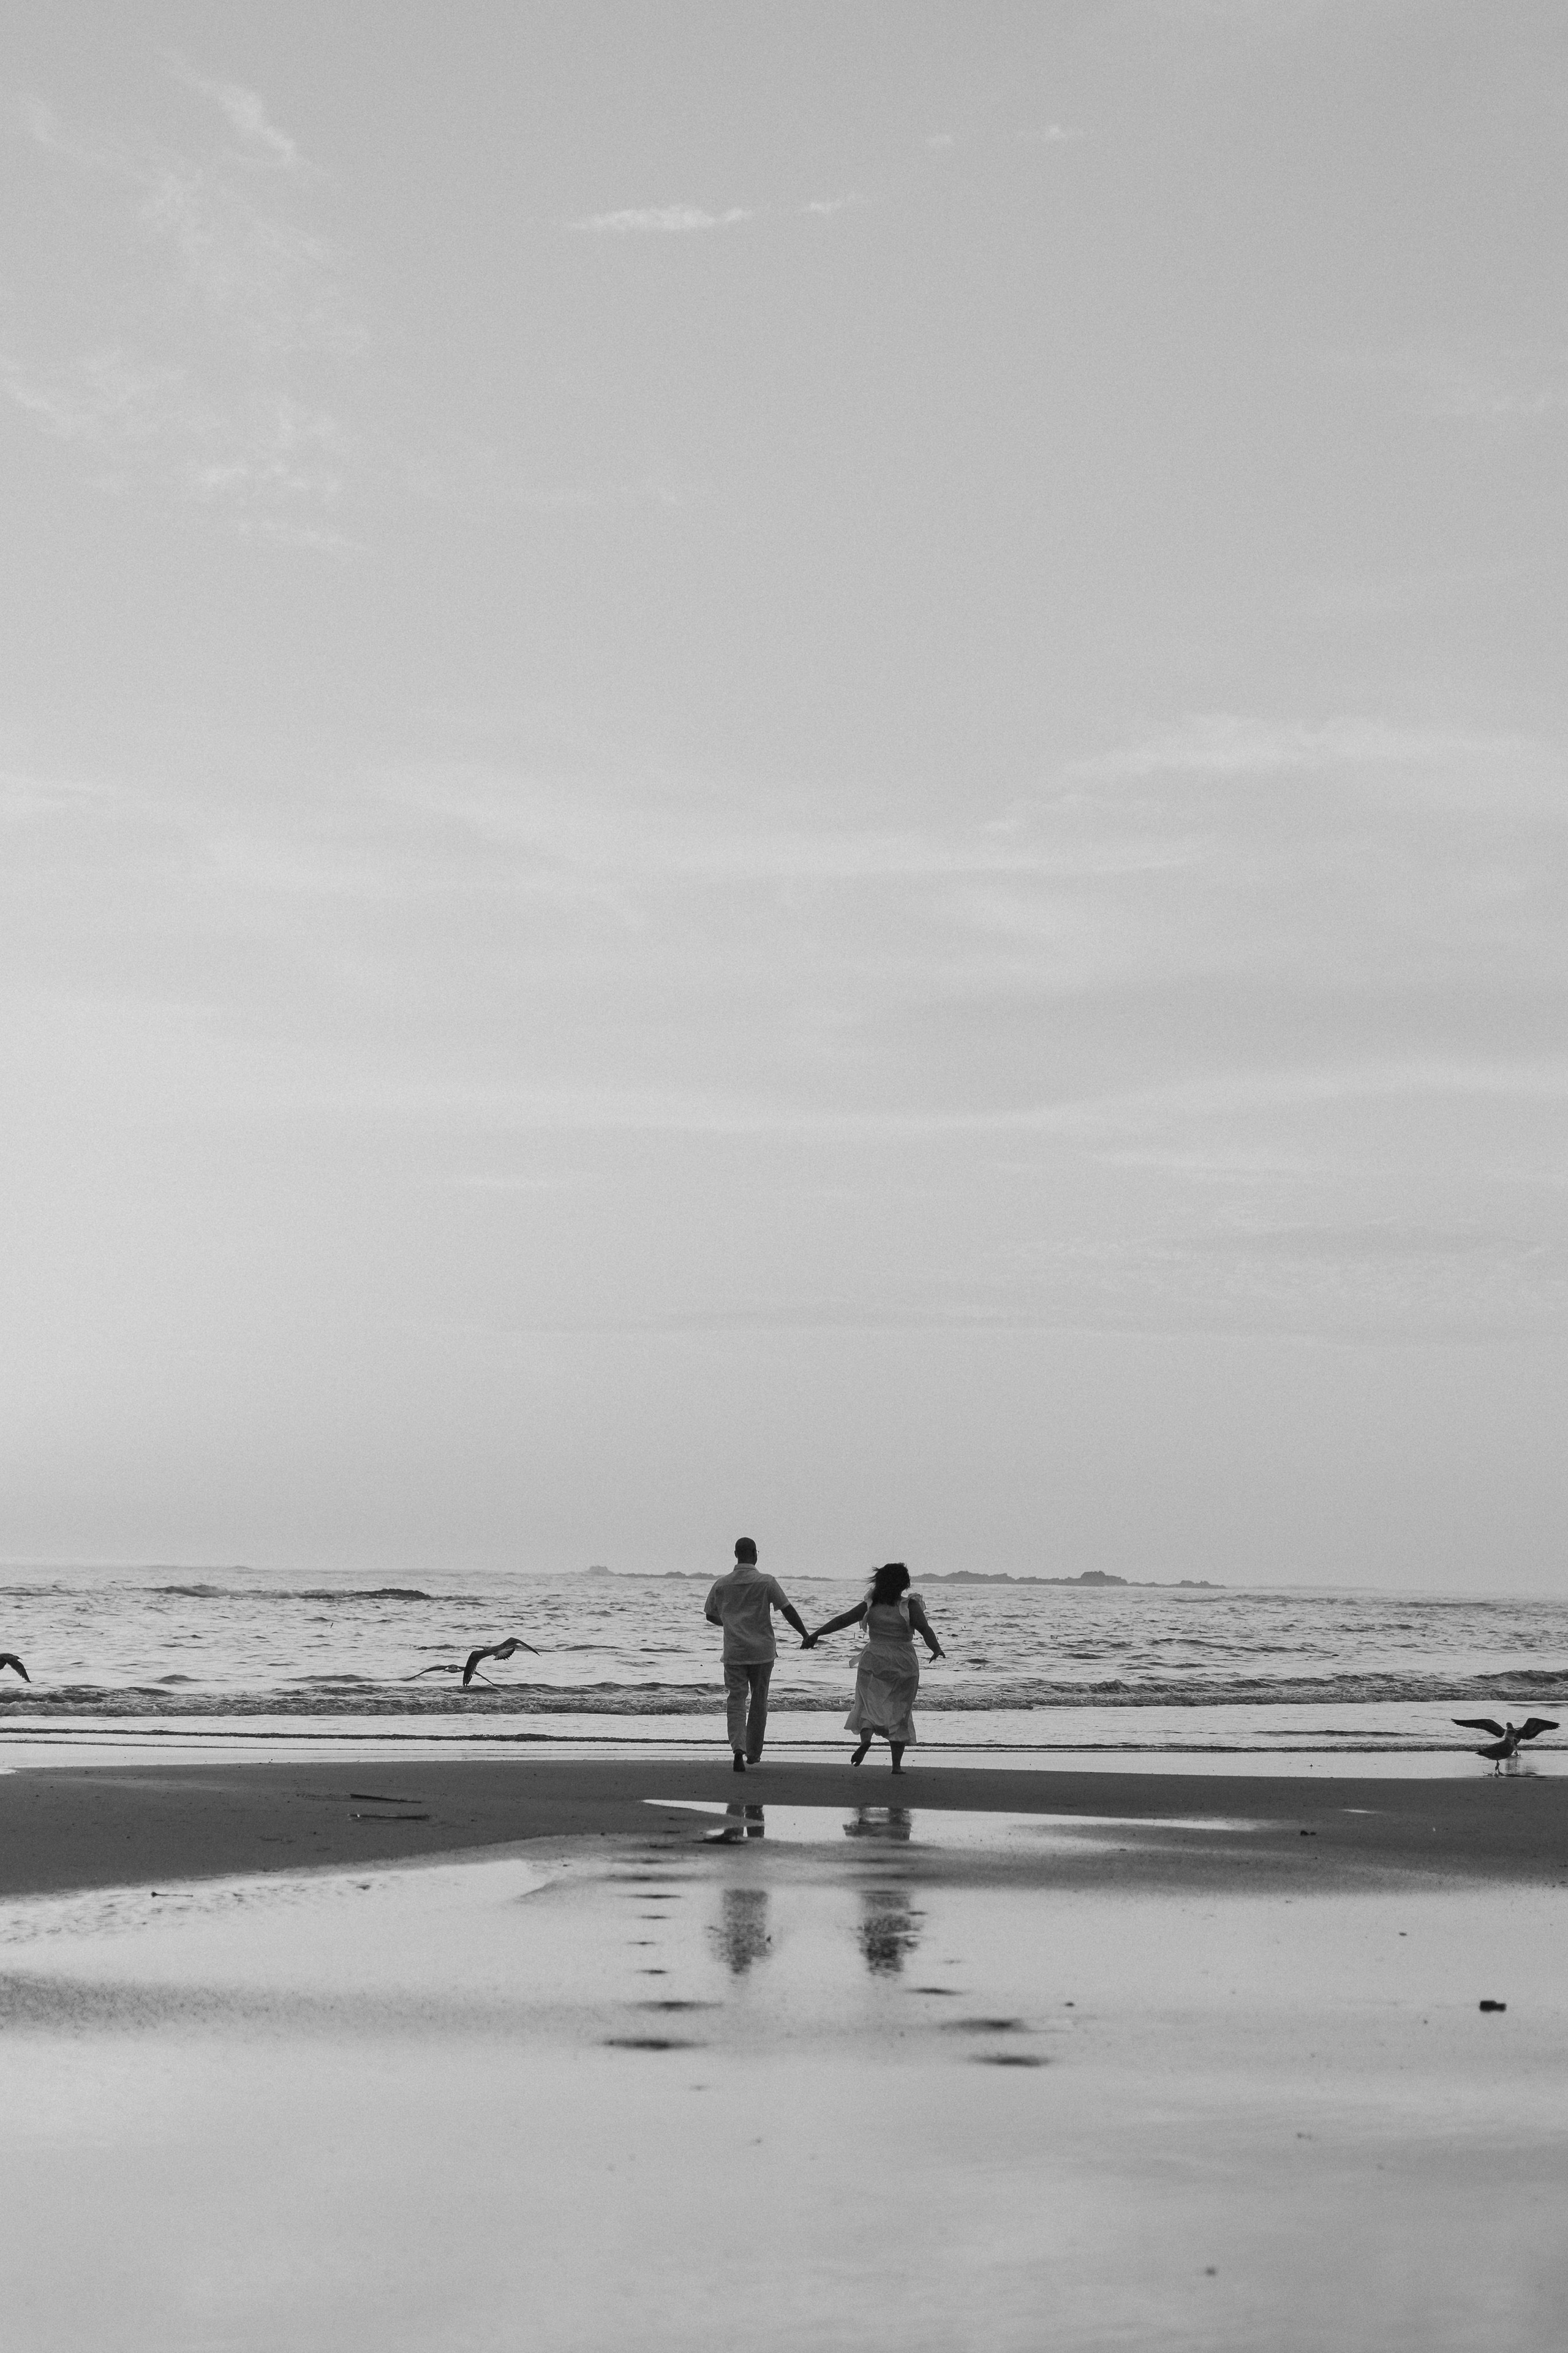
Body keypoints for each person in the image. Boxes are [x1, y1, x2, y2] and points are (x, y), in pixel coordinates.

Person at [804, 1563, 943, 1773]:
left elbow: (843, 1620)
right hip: (903, 1661)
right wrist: (936, 1649)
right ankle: (896, 1767)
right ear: (904, 1584)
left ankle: (866, 1740)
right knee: (900, 1711)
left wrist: (817, 1634)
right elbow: (925, 1630)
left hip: (874, 1659)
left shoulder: (871, 1605)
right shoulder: (909, 1606)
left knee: (869, 1705)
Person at [703, 1538, 810, 1772]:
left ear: (735, 1554)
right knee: (759, 1699)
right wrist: (805, 1634)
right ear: (754, 1554)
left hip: (734, 1651)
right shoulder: (766, 1581)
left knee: (736, 1699)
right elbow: (787, 1609)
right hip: (762, 1651)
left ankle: (738, 1750)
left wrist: (731, 1623)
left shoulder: (721, 1584)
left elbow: (710, 1614)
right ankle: (753, 1753)